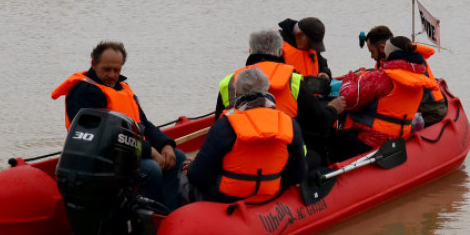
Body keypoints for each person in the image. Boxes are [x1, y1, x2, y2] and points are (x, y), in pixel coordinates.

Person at [51, 41, 186, 212]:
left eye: (117, 70)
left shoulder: (123, 89)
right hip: (103, 159)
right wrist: (149, 151)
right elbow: (105, 139)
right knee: (150, 169)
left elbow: (144, 123)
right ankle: (154, 218)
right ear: (94, 64)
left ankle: (169, 213)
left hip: (132, 152)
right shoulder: (84, 92)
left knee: (178, 158)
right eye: (107, 69)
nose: (112, 75)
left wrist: (165, 144)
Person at [215, 29, 344, 163]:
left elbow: (218, 126)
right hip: (284, 161)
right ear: (280, 52)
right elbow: (317, 125)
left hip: (238, 159)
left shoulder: (228, 82)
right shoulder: (293, 80)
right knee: (318, 153)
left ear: (250, 51)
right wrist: (333, 109)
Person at [186, 67, 306, 203]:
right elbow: (297, 175)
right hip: (269, 193)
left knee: (182, 177)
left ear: (237, 92)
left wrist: (192, 166)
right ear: (266, 90)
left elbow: (198, 177)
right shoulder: (289, 123)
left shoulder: (225, 125)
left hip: (225, 197)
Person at [330, 36, 439, 161]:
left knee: (332, 139)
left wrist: (350, 79)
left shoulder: (381, 77)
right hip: (400, 137)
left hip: (371, 139)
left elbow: (349, 101)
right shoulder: (420, 78)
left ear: (388, 53)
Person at [359, 24, 445, 125]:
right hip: (430, 105)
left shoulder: (401, 62)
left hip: (430, 110)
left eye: (372, 52)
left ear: (383, 48)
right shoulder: (404, 53)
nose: (371, 56)